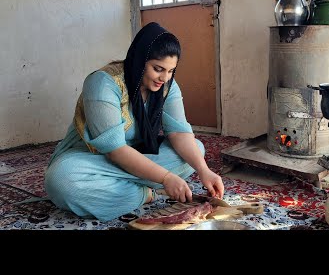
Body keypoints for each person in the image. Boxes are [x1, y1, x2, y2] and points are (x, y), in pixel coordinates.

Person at [44, 22, 224, 222]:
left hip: (137, 156)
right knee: (61, 179)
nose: (164, 77)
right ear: (140, 60)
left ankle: (117, 188)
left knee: (196, 150)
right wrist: (165, 178)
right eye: (158, 68)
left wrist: (204, 170)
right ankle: (146, 194)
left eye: (171, 71)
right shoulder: (104, 83)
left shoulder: (167, 86)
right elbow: (115, 151)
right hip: (94, 160)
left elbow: (179, 133)